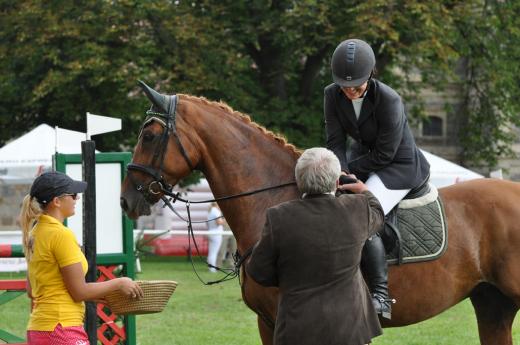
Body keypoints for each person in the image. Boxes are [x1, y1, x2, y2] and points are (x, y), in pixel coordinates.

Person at [325, 38, 431, 318]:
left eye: (356, 86)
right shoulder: (331, 94)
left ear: (370, 75)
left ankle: (381, 296)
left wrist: (351, 174)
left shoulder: (389, 99)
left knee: (363, 213)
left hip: (398, 166)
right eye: (344, 86)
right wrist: (340, 170)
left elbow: (385, 155)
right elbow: (335, 142)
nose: (349, 91)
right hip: (362, 162)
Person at [247, 148, 384, 345]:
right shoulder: (357, 208)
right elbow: (378, 212)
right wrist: (364, 190)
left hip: (297, 331)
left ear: (298, 181)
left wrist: (289, 278)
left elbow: (258, 272)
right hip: (350, 331)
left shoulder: (278, 217)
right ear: (337, 182)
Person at [19, 171, 143, 345]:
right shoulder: (60, 235)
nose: (77, 199)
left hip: (39, 329)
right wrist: (119, 283)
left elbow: (33, 290)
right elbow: (79, 291)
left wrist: (97, 294)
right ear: (57, 201)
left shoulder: (35, 232)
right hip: (62, 328)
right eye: (73, 195)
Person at [206, 202, 224, 272]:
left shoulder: (210, 211)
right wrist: (226, 220)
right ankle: (212, 268)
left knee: (211, 252)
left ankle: (210, 267)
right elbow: (219, 222)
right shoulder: (216, 211)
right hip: (216, 233)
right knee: (214, 252)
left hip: (211, 232)